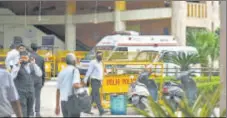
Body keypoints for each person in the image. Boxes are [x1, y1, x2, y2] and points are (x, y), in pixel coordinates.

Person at [12, 50, 43, 117]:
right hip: (21, 92)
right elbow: (12, 77)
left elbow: (39, 74)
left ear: (28, 58)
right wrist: (17, 66)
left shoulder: (31, 65)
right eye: (22, 58)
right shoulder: (16, 66)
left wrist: (34, 64)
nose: (24, 59)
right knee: (23, 111)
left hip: (31, 92)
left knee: (30, 111)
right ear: (20, 58)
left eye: (26, 58)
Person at [55, 53, 84, 117]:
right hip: (72, 102)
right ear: (74, 61)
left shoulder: (61, 72)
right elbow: (75, 85)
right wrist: (82, 85)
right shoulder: (75, 70)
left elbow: (58, 90)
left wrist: (57, 106)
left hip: (63, 103)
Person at [83, 51, 108, 116]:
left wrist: (101, 81)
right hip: (94, 81)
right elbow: (89, 71)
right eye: (99, 55)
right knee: (97, 96)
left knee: (92, 96)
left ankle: (87, 110)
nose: (100, 56)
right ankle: (101, 110)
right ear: (96, 56)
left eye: (101, 55)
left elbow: (101, 73)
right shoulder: (93, 62)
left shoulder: (100, 63)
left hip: (98, 81)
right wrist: (85, 79)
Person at [30, 43, 45, 117]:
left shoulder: (28, 57)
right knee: (37, 97)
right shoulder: (41, 58)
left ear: (31, 48)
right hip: (39, 80)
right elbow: (43, 71)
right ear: (37, 49)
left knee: (30, 97)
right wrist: (43, 81)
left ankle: (31, 113)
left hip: (30, 80)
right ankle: (38, 113)